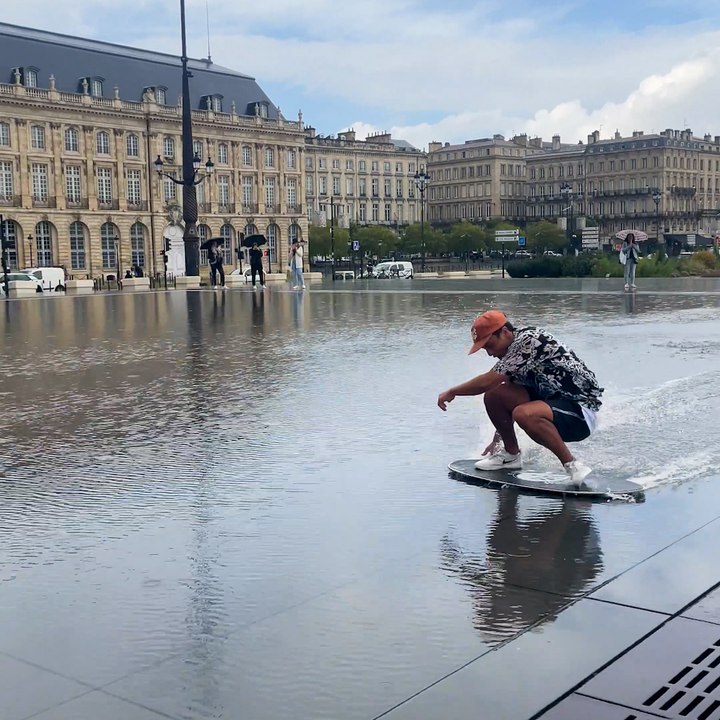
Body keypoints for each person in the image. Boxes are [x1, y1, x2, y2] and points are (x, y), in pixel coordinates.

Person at [437, 309, 603, 487]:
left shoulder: (530, 340)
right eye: (485, 349)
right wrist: (498, 440)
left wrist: (452, 391)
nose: (490, 354)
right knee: (495, 395)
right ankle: (510, 455)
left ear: (505, 332)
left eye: (490, 345)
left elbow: (486, 381)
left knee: (524, 413)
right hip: (550, 405)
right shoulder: (513, 356)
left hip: (580, 413)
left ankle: (573, 465)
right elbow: (498, 393)